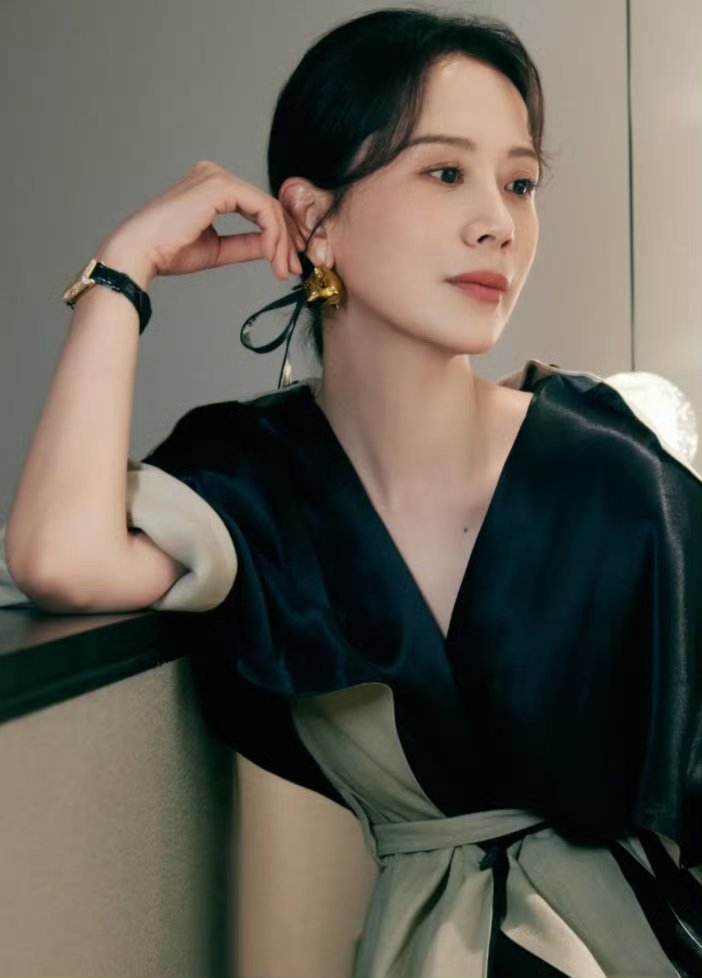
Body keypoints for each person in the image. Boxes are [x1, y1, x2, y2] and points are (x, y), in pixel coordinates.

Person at [2, 7, 701, 977]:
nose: (499, 223)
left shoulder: (610, 460)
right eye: (445, 172)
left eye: (520, 183)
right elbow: (59, 559)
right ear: (313, 219)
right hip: (423, 949)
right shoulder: (256, 474)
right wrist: (124, 274)